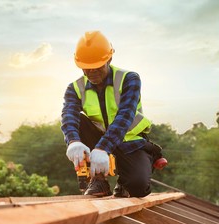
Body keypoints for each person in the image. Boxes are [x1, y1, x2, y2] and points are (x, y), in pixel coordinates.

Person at [61, 30, 160, 198]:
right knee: (75, 121)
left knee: (138, 187)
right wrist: (73, 141)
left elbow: (125, 116)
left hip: (130, 142)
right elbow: (69, 115)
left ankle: (126, 181)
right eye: (87, 68)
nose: (91, 73)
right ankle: (98, 179)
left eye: (97, 67)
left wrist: (103, 148)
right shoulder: (75, 88)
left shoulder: (129, 79)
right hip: (97, 140)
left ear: (109, 59)